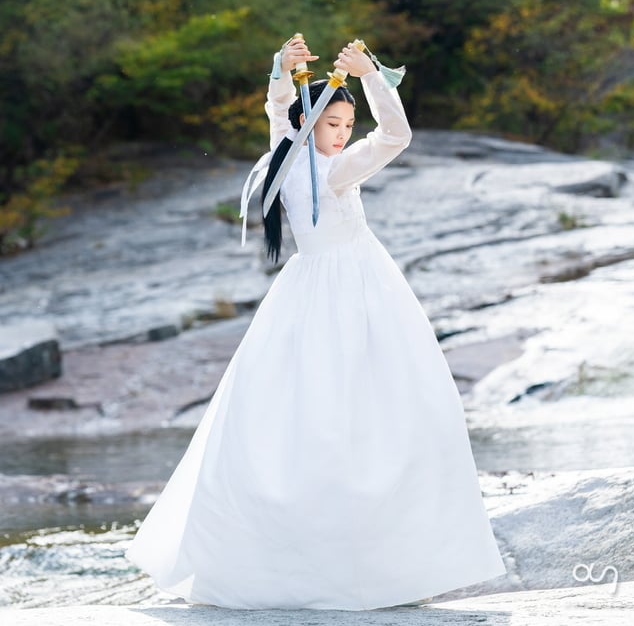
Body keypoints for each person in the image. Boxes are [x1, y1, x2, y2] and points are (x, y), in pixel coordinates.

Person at [125, 35, 507, 610]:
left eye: (348, 123)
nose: (343, 133)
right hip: (343, 293)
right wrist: (366, 77)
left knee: (350, 410)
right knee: (329, 414)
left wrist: (289, 67)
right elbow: (391, 136)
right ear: (311, 124)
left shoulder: (299, 154)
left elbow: (280, 109)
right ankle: (333, 556)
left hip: (333, 290)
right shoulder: (323, 169)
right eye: (333, 123)